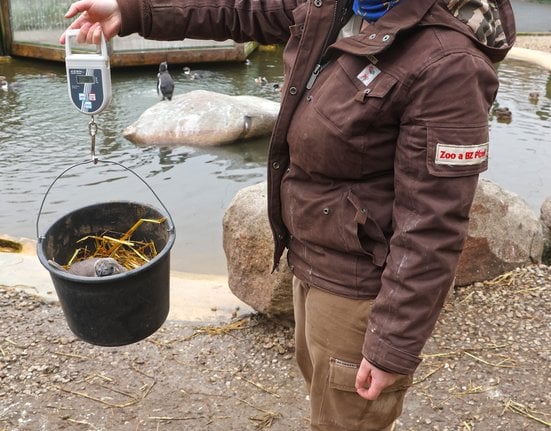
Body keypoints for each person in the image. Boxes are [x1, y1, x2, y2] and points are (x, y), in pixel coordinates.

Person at [60, 0, 515, 429]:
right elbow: (239, 9)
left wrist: (391, 346)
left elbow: (432, 228)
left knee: (349, 420)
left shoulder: (448, 64)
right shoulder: (337, 7)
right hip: (312, 259)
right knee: (328, 402)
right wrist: (131, 10)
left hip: (359, 292)